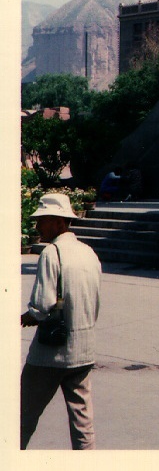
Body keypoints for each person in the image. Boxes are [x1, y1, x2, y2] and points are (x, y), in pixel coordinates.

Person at [21, 193, 101, 450]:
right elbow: (95, 302)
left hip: (51, 354)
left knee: (22, 415)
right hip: (83, 350)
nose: (37, 227)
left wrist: (29, 316)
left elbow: (42, 305)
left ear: (58, 222)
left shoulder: (51, 253)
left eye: (42, 221)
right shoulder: (89, 253)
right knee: (83, 422)